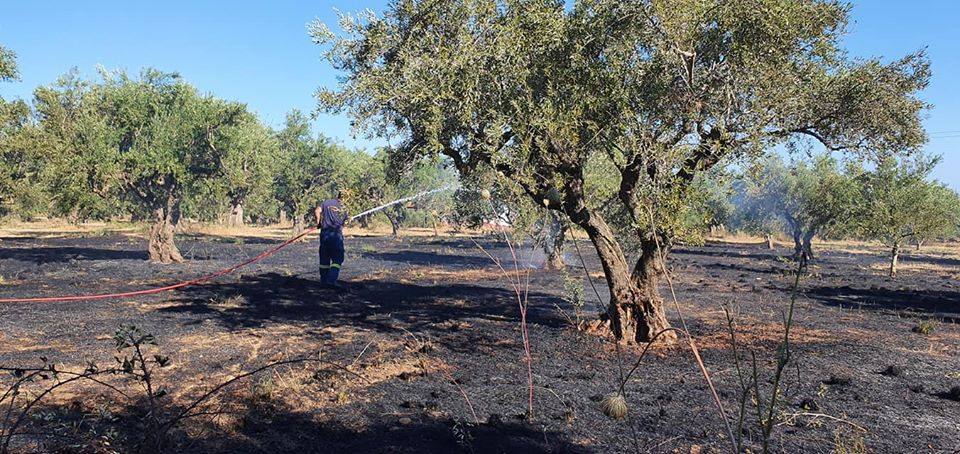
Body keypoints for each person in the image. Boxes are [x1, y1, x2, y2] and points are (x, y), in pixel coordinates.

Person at [315, 192, 349, 288]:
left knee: (324, 258)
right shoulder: (345, 208)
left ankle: (324, 281)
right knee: (338, 259)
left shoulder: (326, 203)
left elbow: (317, 211)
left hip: (324, 234)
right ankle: (331, 280)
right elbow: (345, 223)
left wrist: (318, 223)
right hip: (336, 235)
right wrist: (345, 223)